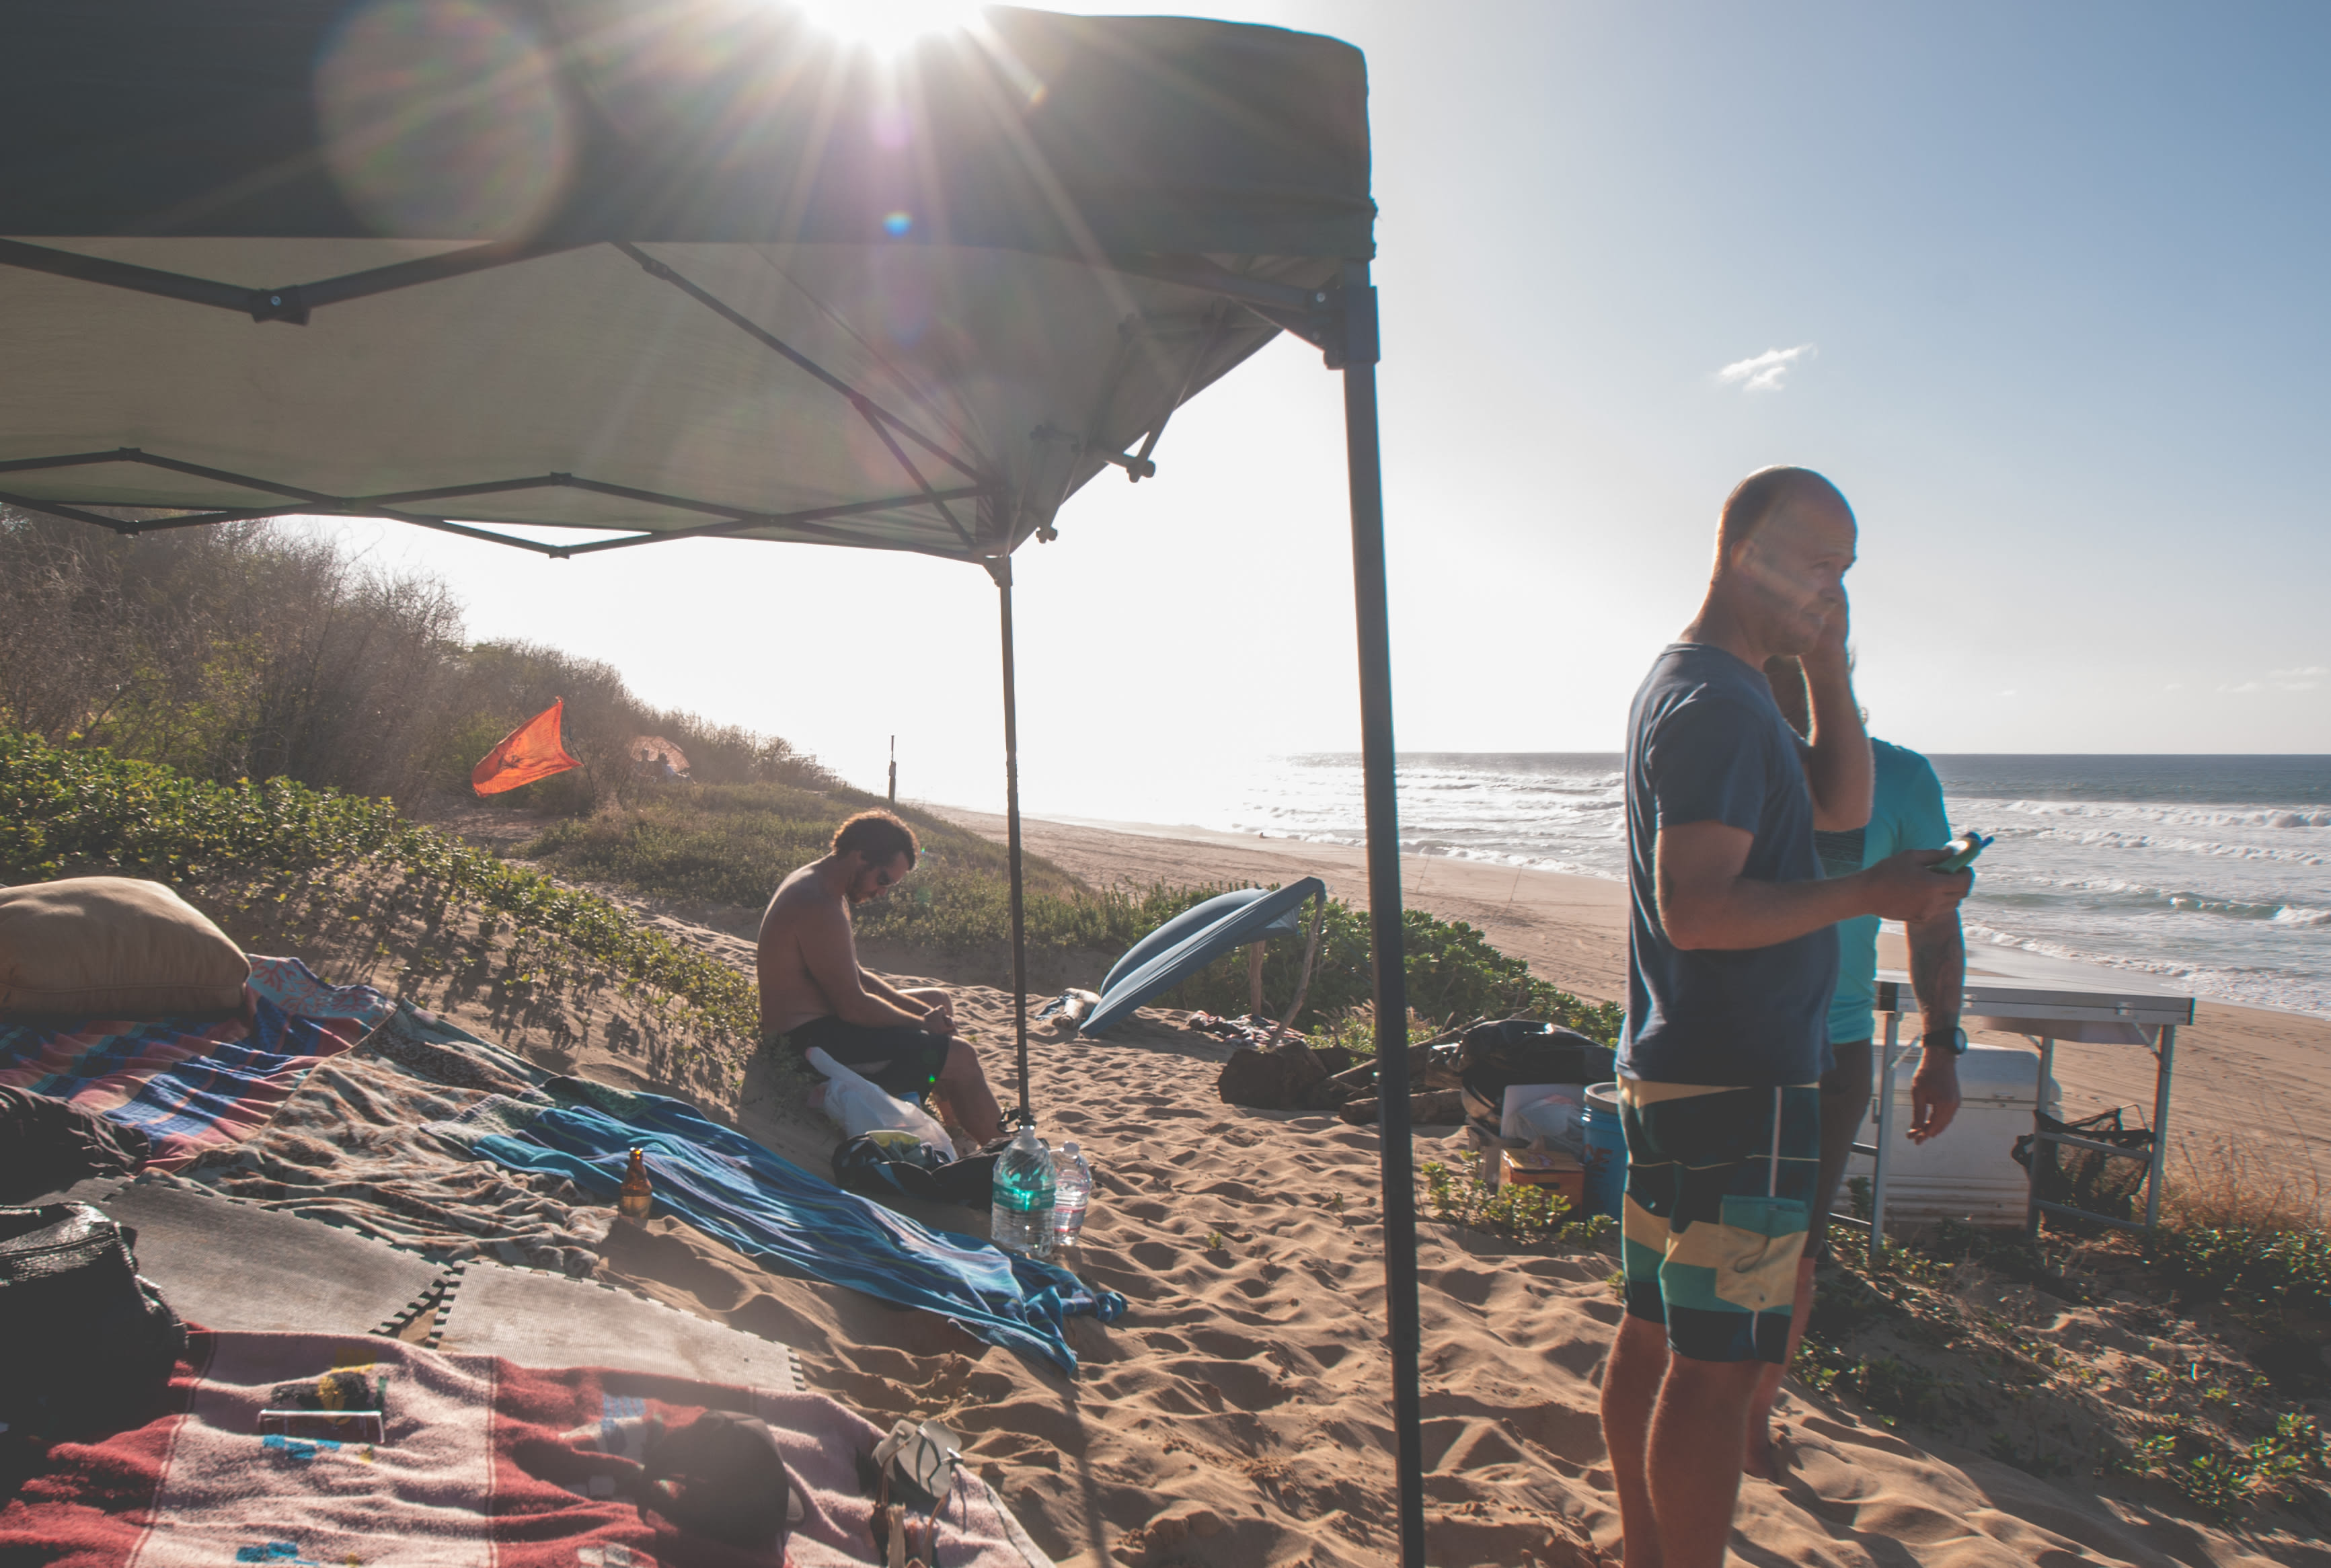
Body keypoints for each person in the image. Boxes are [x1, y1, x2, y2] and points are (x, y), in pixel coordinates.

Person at [1599, 467, 1972, 1568]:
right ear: (1746, 548)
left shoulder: (1732, 688)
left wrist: (1825, 662)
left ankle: (1639, 1548)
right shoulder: (1716, 703)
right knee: (1713, 1376)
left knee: (1657, 1329)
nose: (1830, 589)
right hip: (1737, 1080)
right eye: (1815, 564)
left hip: (1687, 1068)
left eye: (1844, 574)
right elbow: (1699, 907)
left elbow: (1842, 807)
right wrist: (1870, 894)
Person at [1742, 656, 1968, 1478]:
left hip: (1832, 1047)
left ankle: (1754, 1418)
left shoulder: (1900, 780)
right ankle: (1697, 1406)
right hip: (1720, 1041)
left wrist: (1940, 1047)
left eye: (1799, 667)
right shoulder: (1727, 763)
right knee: (1699, 1246)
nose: (1776, 687)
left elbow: (1934, 925)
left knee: (1793, 1255)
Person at [758, 810, 1003, 1145]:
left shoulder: (823, 884)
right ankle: (1004, 1158)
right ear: (861, 856)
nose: (883, 892)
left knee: (937, 1002)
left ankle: (957, 1127)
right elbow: (853, 1008)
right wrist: (921, 1023)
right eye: (884, 880)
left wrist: (923, 1013)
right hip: (806, 1046)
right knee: (961, 1056)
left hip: (822, 1026)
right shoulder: (818, 906)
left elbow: (855, 974)